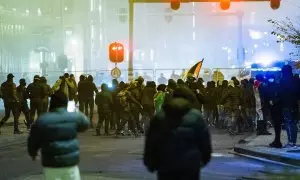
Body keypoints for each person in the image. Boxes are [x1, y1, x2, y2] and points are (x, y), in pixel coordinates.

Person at [144, 87, 212, 180]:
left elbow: (151, 143)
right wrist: (201, 162)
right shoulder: (196, 117)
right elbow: (205, 144)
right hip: (190, 167)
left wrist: (152, 164)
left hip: (166, 166)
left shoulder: (160, 117)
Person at [27, 92, 89, 180]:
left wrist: (33, 153)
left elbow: (33, 140)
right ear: (66, 103)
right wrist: (76, 111)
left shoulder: (43, 119)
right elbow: (85, 124)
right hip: (70, 163)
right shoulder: (74, 117)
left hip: (51, 164)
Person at [279, 65, 300, 148]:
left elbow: (280, 93)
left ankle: (290, 142)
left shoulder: (283, 80)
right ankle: (293, 142)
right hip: (295, 104)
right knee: (293, 123)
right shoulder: (296, 79)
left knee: (288, 123)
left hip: (286, 105)